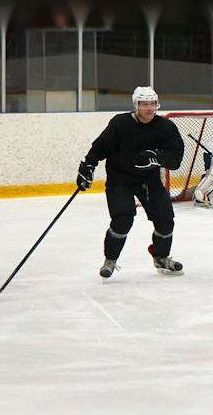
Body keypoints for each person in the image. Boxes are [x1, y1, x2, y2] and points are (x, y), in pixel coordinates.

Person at [77, 86, 186, 278]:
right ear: (136, 105)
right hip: (120, 179)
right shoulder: (120, 124)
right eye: (144, 104)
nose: (149, 108)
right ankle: (110, 260)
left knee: (165, 220)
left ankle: (161, 257)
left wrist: (157, 158)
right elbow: (100, 147)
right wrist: (88, 166)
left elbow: (175, 159)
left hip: (149, 180)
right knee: (122, 219)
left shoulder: (165, 127)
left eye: (152, 104)